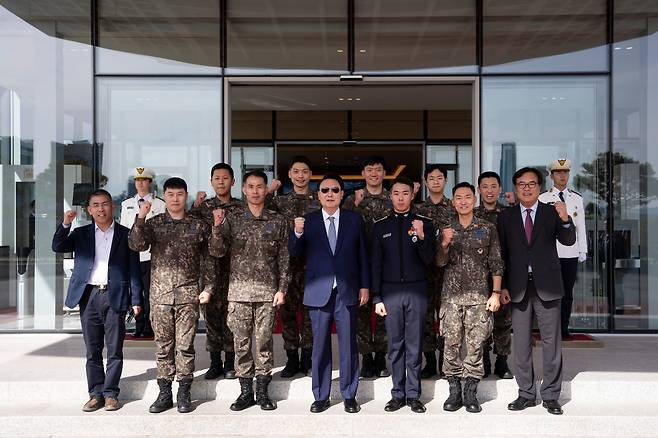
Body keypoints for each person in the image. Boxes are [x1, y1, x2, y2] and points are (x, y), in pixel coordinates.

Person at [129, 177, 215, 414]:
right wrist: (141, 217)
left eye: (179, 194)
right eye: (170, 194)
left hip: (188, 295)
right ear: (163, 196)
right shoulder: (154, 224)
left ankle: (184, 391)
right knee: (163, 346)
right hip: (160, 295)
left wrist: (208, 288)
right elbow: (136, 245)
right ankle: (165, 392)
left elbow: (209, 260)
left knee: (185, 345)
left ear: (185, 196)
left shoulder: (198, 225)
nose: (175, 199)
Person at [52, 189, 142, 412]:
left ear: (112, 207)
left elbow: (134, 271)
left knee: (114, 349)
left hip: (115, 295)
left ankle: (111, 394)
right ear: (90, 210)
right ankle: (95, 394)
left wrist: (137, 299)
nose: (101, 209)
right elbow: (58, 246)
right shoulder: (81, 234)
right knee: (92, 350)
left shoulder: (125, 234)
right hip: (89, 296)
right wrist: (65, 224)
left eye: (105, 204)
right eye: (96, 205)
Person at [289, 173, 370, 414]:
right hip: (319, 292)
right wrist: (297, 232)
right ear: (318, 195)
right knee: (320, 346)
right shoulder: (308, 221)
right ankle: (321, 396)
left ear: (342, 194)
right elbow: (295, 253)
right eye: (325, 190)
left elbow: (362, 256)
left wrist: (365, 286)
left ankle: (349, 395)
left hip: (347, 291)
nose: (330, 194)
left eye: (335, 190)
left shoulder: (354, 220)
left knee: (348, 346)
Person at [498, 167, 576, 416]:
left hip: (548, 285)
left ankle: (551, 395)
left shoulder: (550, 212)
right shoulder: (506, 217)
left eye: (532, 183)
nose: (527, 188)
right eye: (521, 184)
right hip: (519, 287)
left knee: (551, 344)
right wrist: (503, 287)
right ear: (515, 188)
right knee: (521, 345)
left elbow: (568, 241)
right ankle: (526, 394)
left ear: (540, 187)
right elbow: (502, 255)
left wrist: (565, 220)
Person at [209, 170, 289, 411]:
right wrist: (216, 226)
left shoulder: (277, 220)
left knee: (264, 343)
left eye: (259, 187)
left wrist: (282, 288)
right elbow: (217, 251)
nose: (255, 191)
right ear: (243, 189)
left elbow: (284, 258)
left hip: (266, 293)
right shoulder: (231, 218)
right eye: (251, 186)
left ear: (266, 190)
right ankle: (245, 393)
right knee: (241, 344)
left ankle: (263, 392)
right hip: (239, 293)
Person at [437, 182, 503, 413]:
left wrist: (495, 293)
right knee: (451, 345)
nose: (463, 201)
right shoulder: (445, 228)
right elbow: (438, 262)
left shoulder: (486, 228)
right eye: (458, 197)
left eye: (467, 197)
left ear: (474, 200)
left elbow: (496, 262)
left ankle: (471, 392)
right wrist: (444, 243)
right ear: (453, 201)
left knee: (476, 346)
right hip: (452, 298)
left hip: (478, 297)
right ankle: (454, 391)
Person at [371, 176, 435, 414]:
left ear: (412, 195)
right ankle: (397, 394)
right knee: (395, 345)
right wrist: (377, 297)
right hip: (390, 292)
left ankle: (413, 395)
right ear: (391, 196)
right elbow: (375, 263)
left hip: (417, 289)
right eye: (396, 193)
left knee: (414, 344)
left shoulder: (424, 223)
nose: (400, 197)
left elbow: (430, 259)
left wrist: (420, 236)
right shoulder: (381, 226)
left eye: (405, 193)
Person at [266, 156, 321, 378]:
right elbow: (258, 205)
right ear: (289, 174)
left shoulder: (319, 200)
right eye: (296, 171)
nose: (300, 176)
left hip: (313, 267)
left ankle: (307, 358)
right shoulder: (280, 202)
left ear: (310, 174)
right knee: (288, 315)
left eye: (305, 171)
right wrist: (271, 188)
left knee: (310, 315)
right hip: (287, 268)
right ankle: (291, 359)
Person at [189, 163, 244, 380]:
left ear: (233, 181)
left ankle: (230, 362)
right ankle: (214, 362)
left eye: (225, 178)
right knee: (211, 317)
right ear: (211, 181)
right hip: (209, 270)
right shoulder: (203, 208)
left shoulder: (241, 208)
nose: (221, 182)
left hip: (234, 270)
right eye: (217, 178)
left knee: (232, 317)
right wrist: (195, 206)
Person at [343, 156, 390, 378]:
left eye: (378, 170)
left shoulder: (393, 198)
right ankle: (366, 359)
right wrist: (355, 205)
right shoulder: (353, 199)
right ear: (363, 173)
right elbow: (341, 225)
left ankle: (381, 357)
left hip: (387, 264)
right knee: (361, 313)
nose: (373, 173)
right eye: (369, 169)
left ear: (384, 174)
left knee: (384, 311)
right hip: (359, 263)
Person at [538, 158, 588, 339]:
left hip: (570, 252)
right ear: (551, 176)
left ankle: (563, 327)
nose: (562, 175)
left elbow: (580, 226)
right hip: (550, 253)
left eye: (565, 172)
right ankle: (549, 328)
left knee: (567, 292)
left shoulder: (577, 198)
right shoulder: (543, 198)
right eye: (558, 172)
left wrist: (583, 250)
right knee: (549, 292)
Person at [416, 165, 457, 379]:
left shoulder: (454, 207)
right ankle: (429, 360)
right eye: (431, 178)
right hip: (424, 272)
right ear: (425, 182)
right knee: (425, 317)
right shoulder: (418, 210)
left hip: (449, 273)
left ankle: (446, 361)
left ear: (445, 181)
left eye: (440, 178)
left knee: (447, 318)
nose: (435, 182)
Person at [473, 171, 514, 379]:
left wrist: (506, 283)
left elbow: (513, 249)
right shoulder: (472, 215)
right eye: (485, 187)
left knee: (503, 321)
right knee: (481, 321)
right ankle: (484, 360)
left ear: (499, 189)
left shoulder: (508, 214)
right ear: (479, 190)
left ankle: (502, 361)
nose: (489, 191)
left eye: (493, 186)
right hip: (478, 277)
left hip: (504, 276)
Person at [120, 166, 166, 338]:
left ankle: (150, 325)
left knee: (149, 292)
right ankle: (138, 326)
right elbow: (125, 230)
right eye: (137, 180)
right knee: (135, 293)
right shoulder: (126, 204)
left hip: (150, 255)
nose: (140, 183)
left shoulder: (160, 204)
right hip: (132, 255)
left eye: (144, 180)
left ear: (150, 182)